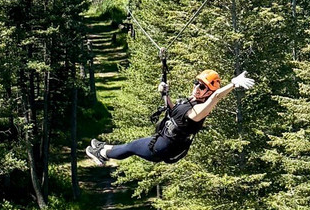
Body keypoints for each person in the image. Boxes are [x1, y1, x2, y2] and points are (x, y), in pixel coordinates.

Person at [86, 69, 255, 166]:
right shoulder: (191, 101)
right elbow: (173, 112)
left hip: (162, 146)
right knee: (131, 147)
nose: (196, 87)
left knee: (131, 147)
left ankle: (102, 153)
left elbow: (216, 97)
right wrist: (164, 94)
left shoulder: (200, 110)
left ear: (208, 92)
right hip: (162, 142)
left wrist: (233, 84)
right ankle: (104, 149)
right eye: (196, 83)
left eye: (202, 86)